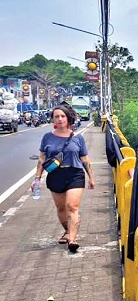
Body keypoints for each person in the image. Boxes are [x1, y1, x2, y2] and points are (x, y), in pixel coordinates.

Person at [32, 104, 95, 253]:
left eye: (62, 116)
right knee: (61, 208)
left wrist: (91, 178)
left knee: (72, 206)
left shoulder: (78, 138)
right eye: (57, 117)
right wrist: (37, 179)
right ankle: (67, 231)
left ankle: (72, 239)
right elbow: (42, 159)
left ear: (68, 118)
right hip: (55, 175)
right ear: (53, 119)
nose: (60, 119)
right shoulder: (47, 137)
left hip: (75, 174)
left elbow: (85, 159)